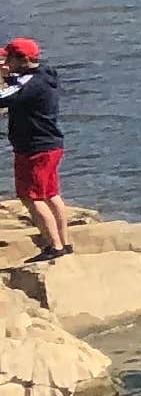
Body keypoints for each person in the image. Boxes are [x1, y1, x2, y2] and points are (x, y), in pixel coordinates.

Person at [1, 41, 63, 257]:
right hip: (50, 144)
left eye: (9, 58)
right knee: (51, 194)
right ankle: (64, 242)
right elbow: (19, 86)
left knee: (31, 197)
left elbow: (3, 98)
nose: (6, 62)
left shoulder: (28, 84)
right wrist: (8, 75)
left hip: (33, 148)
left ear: (23, 60)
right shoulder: (45, 75)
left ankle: (54, 247)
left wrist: (2, 77)